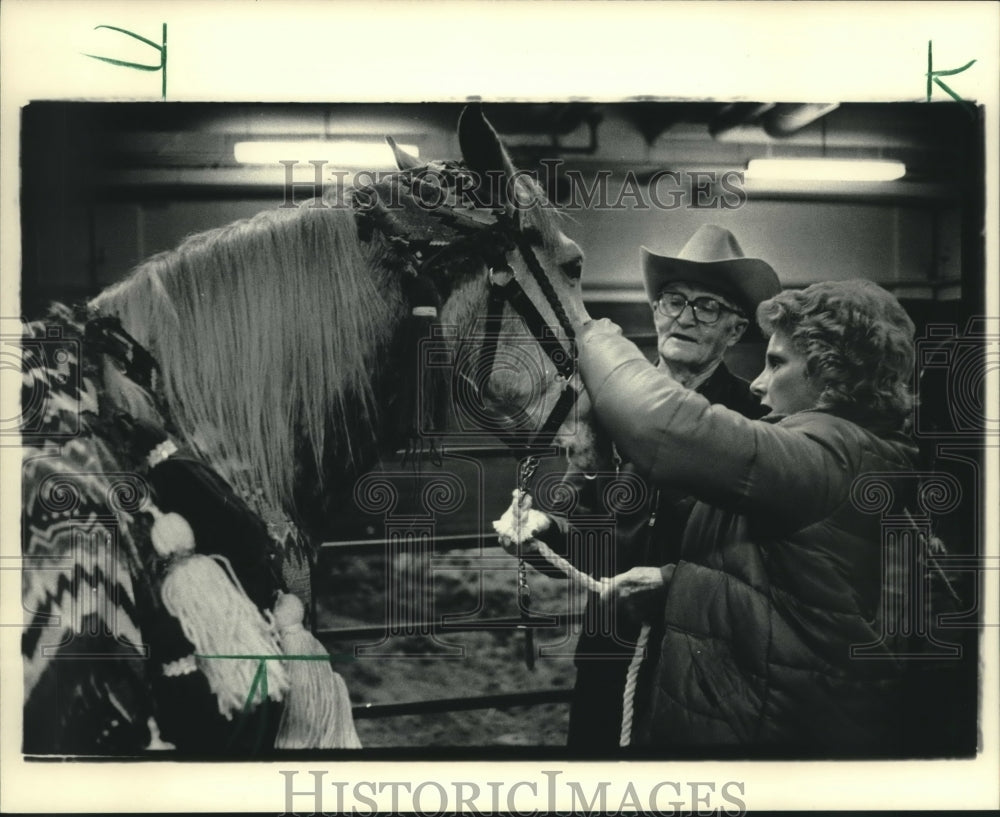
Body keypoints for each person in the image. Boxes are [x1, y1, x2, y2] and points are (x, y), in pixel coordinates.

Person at [567, 278, 921, 753]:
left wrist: (592, 335)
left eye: (776, 363)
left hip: (764, 735)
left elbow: (659, 426)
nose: (757, 382)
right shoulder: (832, 457)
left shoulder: (829, 456)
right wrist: (676, 583)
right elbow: (779, 581)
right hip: (750, 719)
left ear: (833, 374)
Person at [497, 224, 780, 750]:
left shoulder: (755, 422)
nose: (685, 317)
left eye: (708, 307)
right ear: (655, 310)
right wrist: (542, 528)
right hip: (609, 651)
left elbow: (766, 560)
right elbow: (585, 529)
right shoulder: (606, 406)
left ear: (735, 332)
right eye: (674, 300)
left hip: (704, 661)